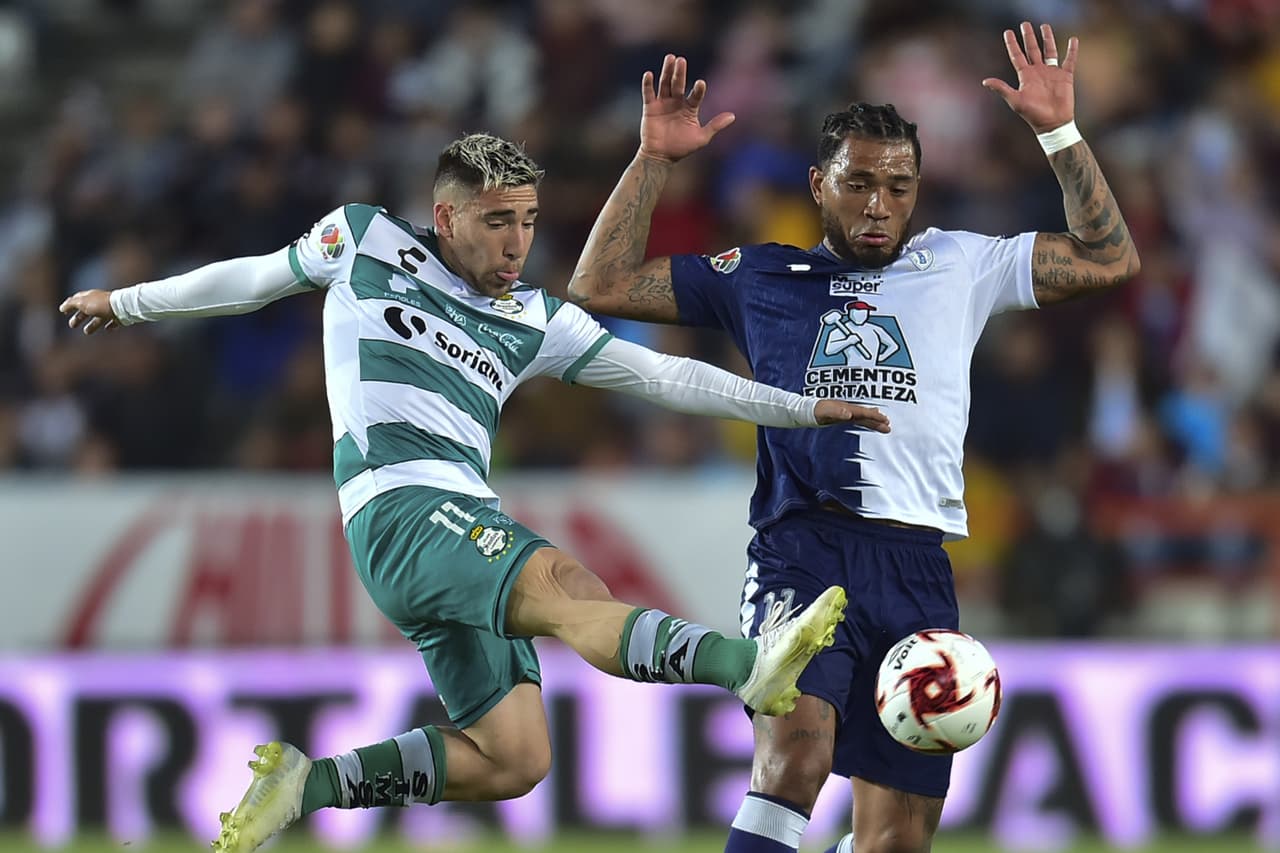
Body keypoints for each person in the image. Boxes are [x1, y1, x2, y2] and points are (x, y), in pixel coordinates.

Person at [59, 132, 893, 853]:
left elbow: (665, 376)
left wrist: (801, 407)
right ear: (449, 215)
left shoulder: (535, 318)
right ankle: (745, 667)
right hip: (398, 507)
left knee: (515, 755)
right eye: (499, 222)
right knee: (566, 587)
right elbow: (256, 278)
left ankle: (306, 786)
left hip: (456, 520)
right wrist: (126, 303)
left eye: (528, 222)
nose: (517, 244)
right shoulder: (363, 240)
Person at [568, 24, 1139, 853]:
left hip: (917, 567)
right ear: (818, 184)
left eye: (899, 186)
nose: (880, 203)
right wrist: (654, 160)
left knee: (894, 842)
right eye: (859, 182)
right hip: (805, 547)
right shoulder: (759, 277)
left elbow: (1109, 258)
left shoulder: (961, 265)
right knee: (797, 757)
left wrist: (1059, 132)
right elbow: (599, 282)